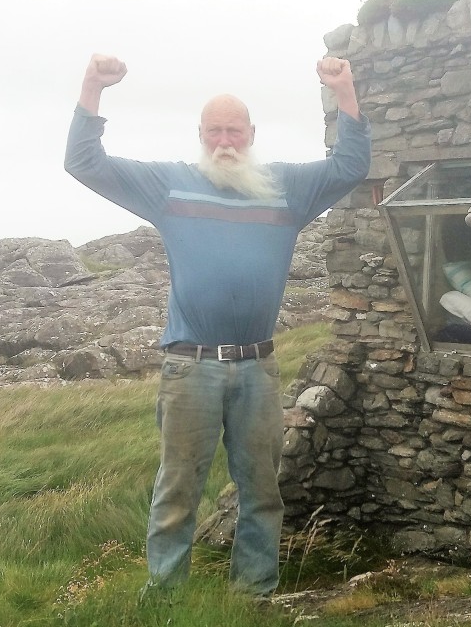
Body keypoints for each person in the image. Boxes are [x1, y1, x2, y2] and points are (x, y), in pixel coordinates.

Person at [64, 53, 371, 597]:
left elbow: (349, 167)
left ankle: (253, 597)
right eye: (214, 131)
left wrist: (344, 92)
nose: (224, 141)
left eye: (234, 130)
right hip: (190, 368)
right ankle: (164, 602)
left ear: (251, 134)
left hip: (259, 367)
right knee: (178, 491)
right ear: (199, 135)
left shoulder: (287, 188)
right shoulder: (168, 185)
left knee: (261, 491)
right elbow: (85, 162)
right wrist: (93, 87)